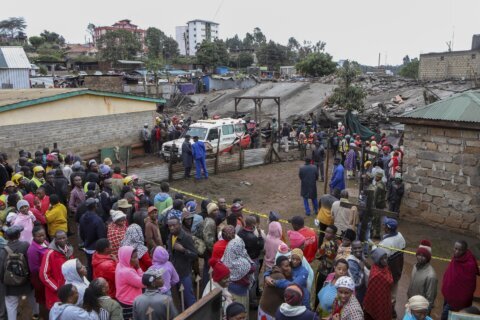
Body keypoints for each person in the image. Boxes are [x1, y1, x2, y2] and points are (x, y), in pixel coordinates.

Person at [0, 225, 36, 320]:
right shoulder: (25, 245)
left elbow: (1, 271)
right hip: (26, 281)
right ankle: (37, 315)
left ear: (6, 237)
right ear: (19, 235)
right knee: (33, 299)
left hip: (10, 285)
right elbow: (31, 263)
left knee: (11, 306)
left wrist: (4, 282)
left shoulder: (3, 251)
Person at [441, 240, 479, 320]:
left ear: (465, 250)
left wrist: (459, 300)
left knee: (445, 315)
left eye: (460, 250)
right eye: (455, 248)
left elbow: (469, 287)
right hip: (448, 295)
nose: (457, 251)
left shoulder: (469, 265)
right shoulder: (456, 258)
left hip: (457, 300)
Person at [166, 216, 198, 310]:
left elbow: (195, 255)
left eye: (174, 225)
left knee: (189, 298)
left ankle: (193, 313)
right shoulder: (170, 236)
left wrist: (183, 250)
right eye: (170, 226)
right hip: (173, 272)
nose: (171, 228)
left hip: (184, 272)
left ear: (179, 225)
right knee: (179, 297)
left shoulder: (186, 237)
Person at [40, 230, 74, 310]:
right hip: (56, 292)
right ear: (55, 239)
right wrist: (57, 288)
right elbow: (44, 275)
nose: (62, 240)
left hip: (69, 288)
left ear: (67, 238)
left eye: (64, 238)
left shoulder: (69, 250)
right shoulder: (50, 253)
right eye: (59, 239)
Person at [378, 217, 405, 317]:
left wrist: (374, 247)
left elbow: (379, 257)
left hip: (388, 273)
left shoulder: (386, 243)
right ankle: (392, 310)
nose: (383, 226)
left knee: (384, 293)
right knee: (393, 293)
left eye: (384, 225)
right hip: (398, 270)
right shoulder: (400, 236)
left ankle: (385, 312)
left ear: (387, 229)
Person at [221, 237, 254, 311]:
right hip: (240, 291)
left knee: (232, 311)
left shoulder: (225, 258)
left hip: (229, 289)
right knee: (240, 310)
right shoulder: (243, 263)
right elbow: (252, 268)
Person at [407, 240, 437, 314]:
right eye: (419, 254)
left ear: (428, 258)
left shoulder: (431, 276)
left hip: (421, 310)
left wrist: (424, 314)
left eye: (423, 256)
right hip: (411, 303)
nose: (420, 257)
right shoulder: (415, 267)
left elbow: (430, 299)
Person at [80, 198, 107, 280]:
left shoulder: (82, 217)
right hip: (96, 249)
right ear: (95, 206)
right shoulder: (98, 220)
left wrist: (86, 242)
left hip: (87, 247)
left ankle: (90, 282)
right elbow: (102, 236)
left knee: (90, 267)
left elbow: (81, 233)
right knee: (97, 268)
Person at [363, 248, 393, 320]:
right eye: (382, 259)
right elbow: (372, 291)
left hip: (385, 297)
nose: (385, 260)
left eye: (386, 258)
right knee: (378, 313)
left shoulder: (384, 267)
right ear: (377, 260)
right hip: (378, 300)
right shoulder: (376, 275)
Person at [115, 246, 144, 319]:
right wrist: (138, 268)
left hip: (122, 299)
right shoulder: (127, 272)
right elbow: (143, 283)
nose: (137, 259)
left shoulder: (120, 265)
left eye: (137, 256)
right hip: (130, 303)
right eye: (134, 257)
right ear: (127, 258)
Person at [259, 256, 291, 320]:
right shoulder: (279, 276)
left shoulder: (274, 271)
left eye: (289, 266)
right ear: (279, 267)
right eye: (286, 266)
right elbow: (286, 295)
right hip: (269, 311)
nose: (289, 268)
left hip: (264, 308)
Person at [27, 225, 49, 316]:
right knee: (43, 300)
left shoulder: (45, 242)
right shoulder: (32, 250)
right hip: (40, 280)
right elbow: (34, 269)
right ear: (33, 236)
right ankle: (44, 316)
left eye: (43, 235)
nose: (42, 237)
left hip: (47, 275)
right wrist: (48, 266)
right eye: (39, 236)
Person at [347, 240, 369, 305]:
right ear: (351, 249)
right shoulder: (351, 263)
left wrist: (365, 261)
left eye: (359, 248)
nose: (358, 250)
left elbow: (369, 267)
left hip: (363, 288)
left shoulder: (360, 255)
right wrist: (362, 270)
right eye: (355, 248)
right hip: (357, 293)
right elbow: (356, 284)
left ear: (362, 248)